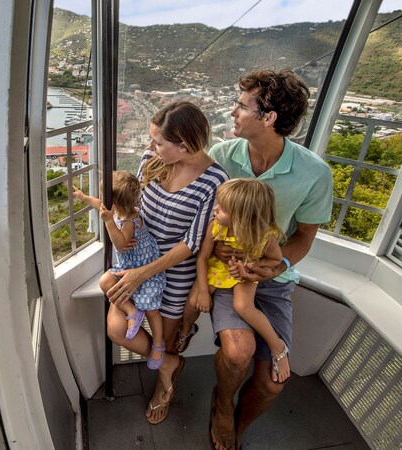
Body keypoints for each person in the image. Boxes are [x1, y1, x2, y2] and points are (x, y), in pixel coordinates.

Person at [204, 69, 333, 450]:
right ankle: (223, 406)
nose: (233, 112)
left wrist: (276, 266)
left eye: (242, 106)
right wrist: (218, 249)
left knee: (273, 382)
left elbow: (303, 237)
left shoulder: (313, 173)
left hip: (272, 280)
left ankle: (240, 425)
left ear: (269, 117)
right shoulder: (221, 156)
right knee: (237, 351)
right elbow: (203, 219)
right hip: (229, 275)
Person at [104, 100, 228, 425]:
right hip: (136, 259)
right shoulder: (153, 159)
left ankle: (163, 385)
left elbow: (192, 243)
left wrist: (141, 274)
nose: (150, 146)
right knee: (118, 329)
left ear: (184, 146)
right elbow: (132, 205)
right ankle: (169, 363)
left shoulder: (214, 181)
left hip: (173, 274)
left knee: (168, 339)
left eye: (158, 141)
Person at [178, 178, 291, 384]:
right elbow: (203, 257)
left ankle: (277, 346)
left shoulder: (264, 236)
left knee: (243, 307)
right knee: (194, 300)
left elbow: (275, 259)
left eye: (222, 208)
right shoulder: (216, 227)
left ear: (242, 217)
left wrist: (252, 266)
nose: (215, 209)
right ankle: (186, 329)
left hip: (243, 274)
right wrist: (204, 291)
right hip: (217, 268)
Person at [72, 172, 167, 369]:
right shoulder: (117, 210)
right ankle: (131, 311)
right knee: (105, 282)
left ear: (116, 202)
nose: (104, 203)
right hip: (127, 267)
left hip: (143, 269)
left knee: (151, 309)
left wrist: (108, 222)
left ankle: (158, 343)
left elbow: (121, 244)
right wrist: (83, 197)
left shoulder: (129, 221)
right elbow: (100, 204)